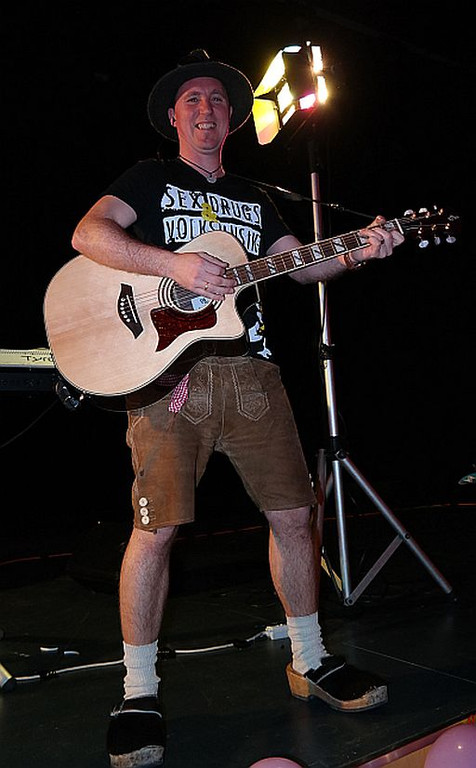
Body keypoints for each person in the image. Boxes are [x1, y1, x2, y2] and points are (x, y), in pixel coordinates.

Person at [71, 49, 404, 768]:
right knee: (156, 530)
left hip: (252, 373)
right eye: (193, 99)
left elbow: (305, 264)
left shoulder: (256, 195)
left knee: (295, 514)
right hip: (168, 376)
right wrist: (174, 264)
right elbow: (88, 235)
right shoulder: (148, 178)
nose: (207, 108)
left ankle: (310, 659)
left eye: (219, 100)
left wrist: (359, 250)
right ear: (173, 116)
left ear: (231, 121)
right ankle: (137, 692)